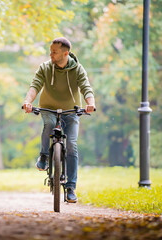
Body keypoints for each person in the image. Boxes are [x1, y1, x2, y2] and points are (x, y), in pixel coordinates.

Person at [23, 37, 95, 203]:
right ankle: (43, 156)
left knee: (71, 145)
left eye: (54, 52)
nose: (51, 54)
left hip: (72, 110)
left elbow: (86, 87)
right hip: (48, 108)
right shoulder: (45, 67)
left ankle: (70, 188)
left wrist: (90, 103)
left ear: (65, 53)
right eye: (50, 51)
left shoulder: (77, 69)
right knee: (48, 124)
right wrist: (28, 102)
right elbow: (35, 86)